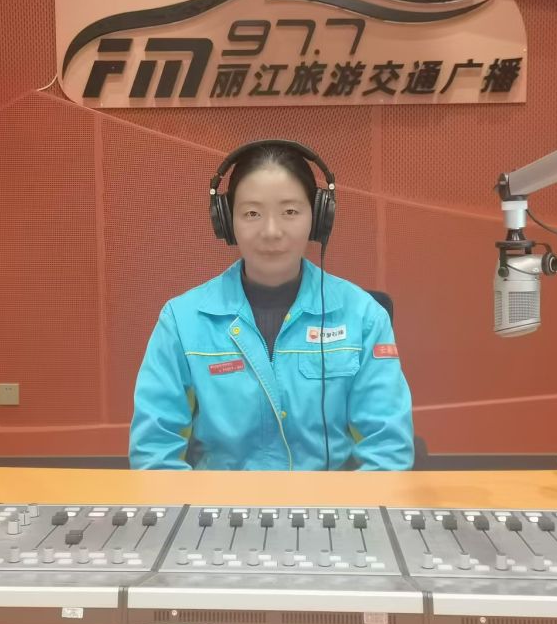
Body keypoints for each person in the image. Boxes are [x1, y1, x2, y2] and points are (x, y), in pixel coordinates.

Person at [128, 140, 414, 471]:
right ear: (226, 221)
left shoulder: (363, 317)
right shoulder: (182, 321)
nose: (271, 231)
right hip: (220, 501)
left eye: (290, 212)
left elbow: (388, 449)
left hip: (327, 501)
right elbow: (153, 452)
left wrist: (341, 506)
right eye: (252, 213)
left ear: (318, 216)